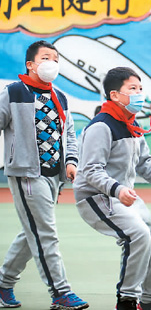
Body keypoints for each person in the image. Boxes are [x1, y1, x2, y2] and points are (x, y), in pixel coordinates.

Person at [73, 67, 151, 310]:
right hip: (97, 197)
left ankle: (149, 300)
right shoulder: (101, 126)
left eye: (140, 89)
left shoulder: (131, 123)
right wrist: (117, 190)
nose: (139, 94)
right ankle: (126, 300)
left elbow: (144, 163)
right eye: (132, 89)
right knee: (138, 235)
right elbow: (91, 170)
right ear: (115, 95)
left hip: (124, 195)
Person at [0, 40, 88, 309]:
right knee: (45, 233)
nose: (52, 63)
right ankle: (60, 292)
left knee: (34, 231)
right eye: (46, 58)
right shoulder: (14, 92)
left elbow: (69, 133)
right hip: (27, 174)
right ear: (31, 64)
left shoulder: (59, 96)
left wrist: (71, 162)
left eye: (56, 59)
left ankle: (3, 283)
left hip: (53, 176)